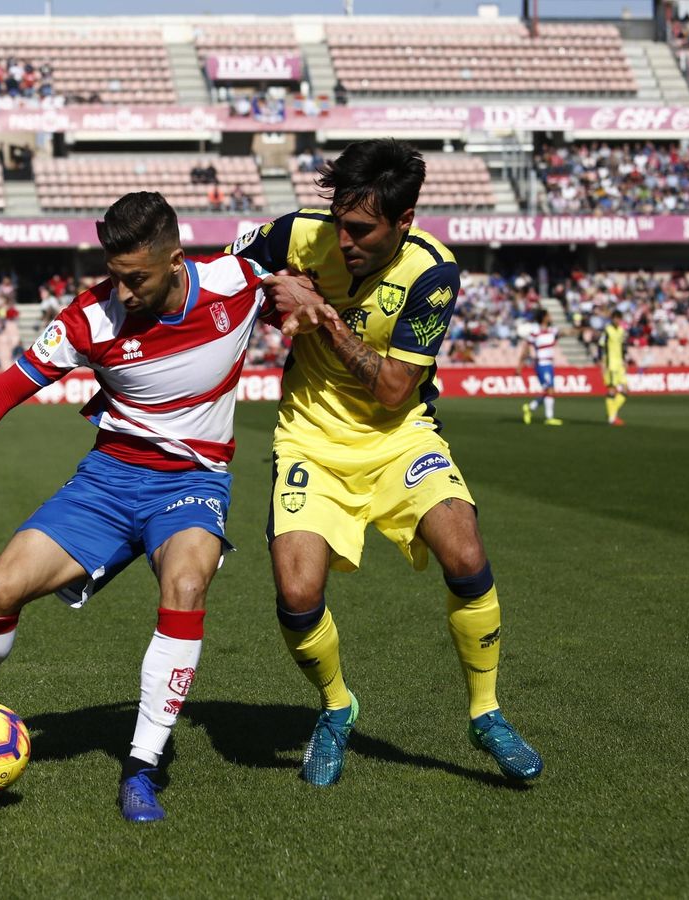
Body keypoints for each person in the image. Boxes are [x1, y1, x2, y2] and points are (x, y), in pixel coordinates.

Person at [0, 192, 299, 822]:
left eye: (137, 277)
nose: (124, 291)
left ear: (175, 260)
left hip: (191, 484)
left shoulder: (236, 283)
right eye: (115, 275)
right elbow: (8, 385)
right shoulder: (88, 318)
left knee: (186, 585)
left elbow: (313, 249)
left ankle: (142, 765)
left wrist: (309, 300)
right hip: (106, 483)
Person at [230, 138, 543, 786]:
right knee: (296, 591)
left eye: (362, 230)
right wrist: (270, 282)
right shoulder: (296, 234)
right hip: (310, 440)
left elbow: (396, 388)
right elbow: (224, 275)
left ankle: (486, 713)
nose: (343, 241)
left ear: (403, 222)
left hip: (399, 437)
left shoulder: (433, 273)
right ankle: (337, 706)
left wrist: (323, 319)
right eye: (340, 222)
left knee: (465, 555)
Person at [519, 309, 563, 426]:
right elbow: (526, 349)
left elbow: (563, 333)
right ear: (543, 318)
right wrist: (520, 365)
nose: (550, 317)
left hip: (549, 364)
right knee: (549, 390)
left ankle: (530, 407)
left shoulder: (552, 330)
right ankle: (549, 417)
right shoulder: (535, 332)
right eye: (548, 315)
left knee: (549, 391)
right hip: (541, 364)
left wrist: (579, 329)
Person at [600, 309, 629, 426]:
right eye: (615, 318)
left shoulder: (622, 331)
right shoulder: (607, 330)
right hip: (611, 363)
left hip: (619, 364)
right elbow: (601, 346)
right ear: (612, 319)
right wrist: (601, 361)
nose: (617, 320)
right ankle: (612, 418)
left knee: (626, 390)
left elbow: (623, 346)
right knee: (612, 390)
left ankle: (612, 413)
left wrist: (624, 360)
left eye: (618, 318)